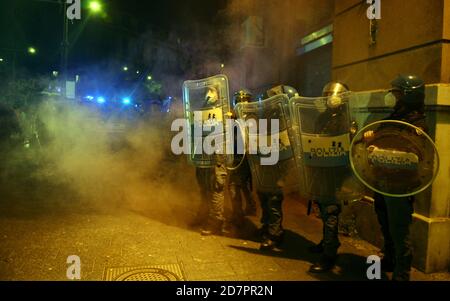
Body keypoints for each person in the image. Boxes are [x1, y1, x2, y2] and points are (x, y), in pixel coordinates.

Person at [364, 74, 428, 281]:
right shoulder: (394, 117)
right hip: (383, 179)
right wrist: (371, 140)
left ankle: (402, 273)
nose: (393, 96)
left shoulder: (417, 125)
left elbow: (409, 153)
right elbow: (382, 138)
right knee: (385, 221)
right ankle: (390, 259)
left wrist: (382, 148)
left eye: (397, 93)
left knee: (399, 228)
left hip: (400, 184)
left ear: (408, 96)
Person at [305, 82, 352, 273]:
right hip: (321, 170)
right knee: (324, 210)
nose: (329, 98)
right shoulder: (323, 117)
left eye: (332, 95)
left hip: (335, 173)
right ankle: (326, 242)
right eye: (326, 94)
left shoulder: (346, 119)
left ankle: (329, 256)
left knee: (331, 211)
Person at [227, 90, 257, 225]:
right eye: (240, 100)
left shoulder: (252, 117)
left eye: (245, 100)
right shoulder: (234, 117)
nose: (242, 102)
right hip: (238, 156)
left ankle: (237, 215)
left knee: (234, 185)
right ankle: (251, 207)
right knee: (242, 184)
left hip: (247, 157)